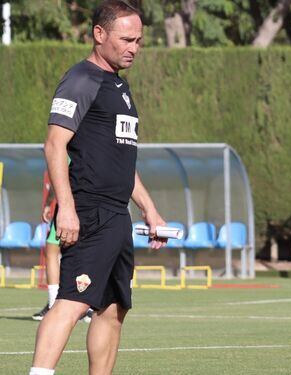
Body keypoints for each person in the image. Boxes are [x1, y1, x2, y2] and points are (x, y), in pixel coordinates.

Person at [30, 2, 167, 374]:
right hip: (89, 212)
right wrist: (68, 209)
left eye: (139, 40)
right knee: (72, 303)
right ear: (99, 34)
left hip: (116, 215)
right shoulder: (81, 80)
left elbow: (121, 162)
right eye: (126, 39)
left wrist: (149, 210)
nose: (134, 48)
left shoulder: (119, 86)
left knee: (113, 309)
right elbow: (54, 145)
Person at [32, 170, 93, 323]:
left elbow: (57, 176)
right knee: (87, 252)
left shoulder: (65, 148)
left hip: (71, 207)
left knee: (52, 249)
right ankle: (88, 305)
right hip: (95, 206)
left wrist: (48, 204)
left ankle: (55, 303)